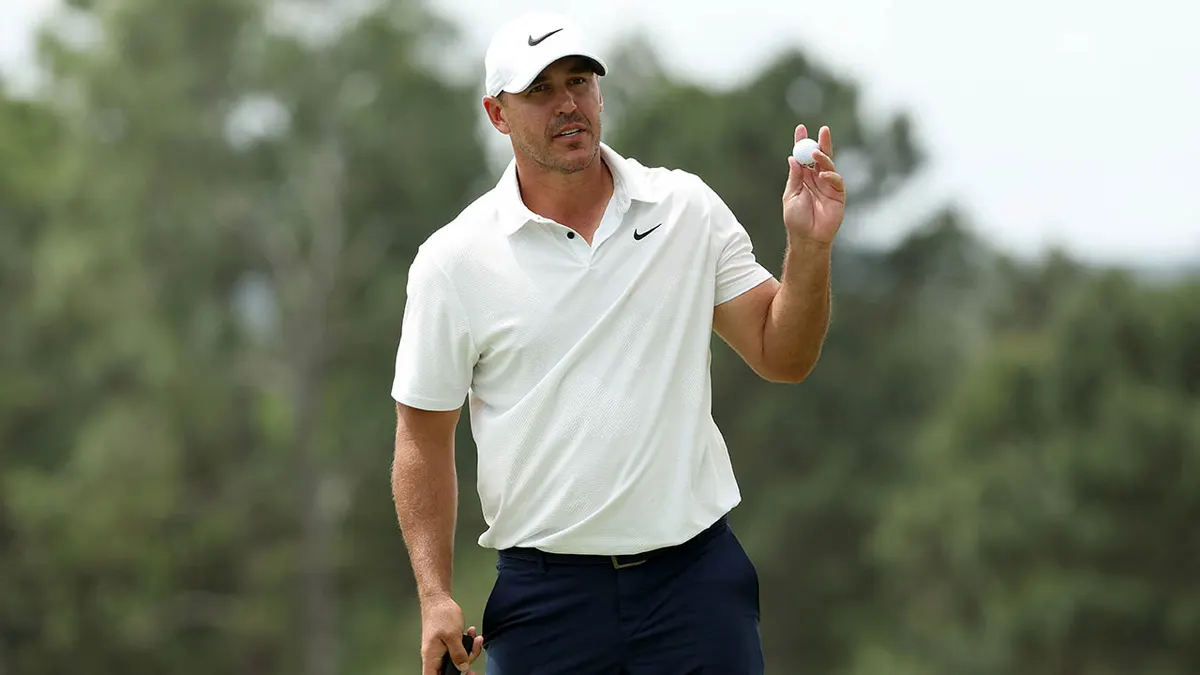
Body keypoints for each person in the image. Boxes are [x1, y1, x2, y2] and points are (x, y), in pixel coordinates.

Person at [390, 10, 845, 675]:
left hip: (694, 583)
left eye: (580, 81)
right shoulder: (453, 260)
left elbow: (784, 356)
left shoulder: (685, 209)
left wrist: (808, 249)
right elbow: (422, 438)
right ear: (497, 114)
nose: (567, 103)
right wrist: (435, 596)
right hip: (546, 600)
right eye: (540, 90)